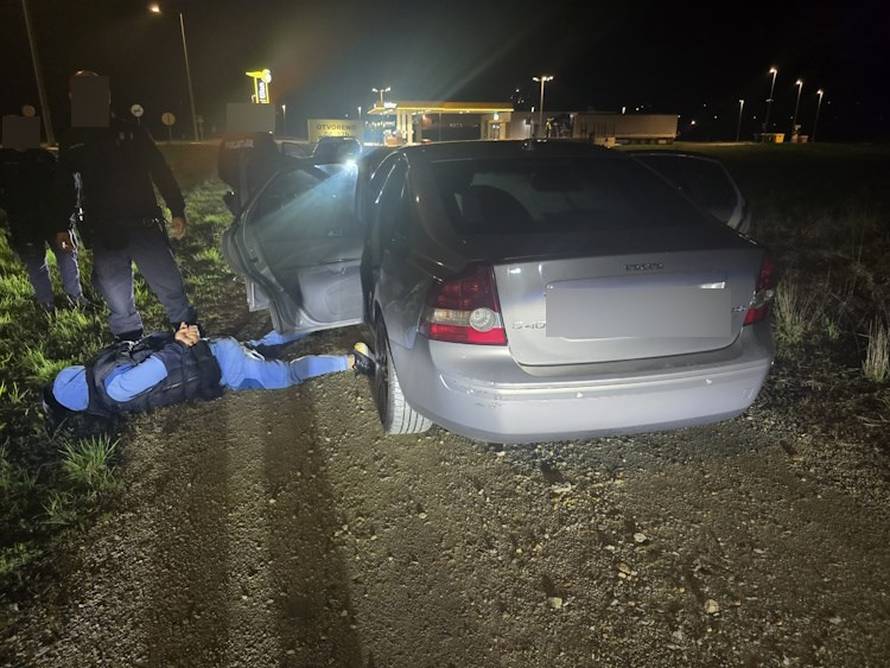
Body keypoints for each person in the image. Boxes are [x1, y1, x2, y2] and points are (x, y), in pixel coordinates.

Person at [53, 71, 197, 341]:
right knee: (117, 300)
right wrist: (62, 226)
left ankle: (192, 343)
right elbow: (65, 185)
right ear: (73, 98)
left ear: (106, 96)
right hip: (105, 231)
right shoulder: (71, 139)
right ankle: (130, 346)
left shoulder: (131, 130)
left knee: (171, 288)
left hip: (144, 224)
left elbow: (160, 170)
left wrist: (177, 209)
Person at [43, 323, 374, 423]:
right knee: (261, 343)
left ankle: (351, 362)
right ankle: (322, 319)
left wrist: (179, 343)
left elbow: (160, 367)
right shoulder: (102, 366)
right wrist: (181, 338)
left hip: (224, 368)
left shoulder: (113, 391)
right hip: (215, 348)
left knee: (285, 375)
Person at [1, 115, 86, 311]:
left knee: (67, 256)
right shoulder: (4, 161)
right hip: (23, 223)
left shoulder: (45, 158)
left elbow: (67, 187)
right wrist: (11, 208)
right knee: (35, 263)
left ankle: (76, 298)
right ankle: (46, 303)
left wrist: (64, 220)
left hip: (54, 221)